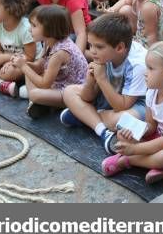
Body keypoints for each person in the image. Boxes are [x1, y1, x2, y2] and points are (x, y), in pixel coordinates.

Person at [101, 40, 163, 183]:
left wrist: (134, 151)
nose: (145, 72)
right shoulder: (152, 92)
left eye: (150, 68)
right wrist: (134, 132)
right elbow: (151, 126)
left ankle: (126, 161)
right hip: (160, 137)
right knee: (122, 136)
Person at [61, 13, 148, 154]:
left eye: (99, 47)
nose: (92, 52)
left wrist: (101, 78)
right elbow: (86, 97)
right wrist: (90, 81)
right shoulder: (105, 55)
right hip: (111, 98)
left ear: (119, 48)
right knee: (68, 92)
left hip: (137, 104)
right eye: (90, 45)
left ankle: (85, 117)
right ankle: (103, 132)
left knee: (121, 119)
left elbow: (123, 106)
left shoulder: (137, 64)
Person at [10, 5, 88, 118]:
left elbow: (44, 83)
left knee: (34, 94)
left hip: (73, 93)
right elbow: (40, 66)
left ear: (49, 29)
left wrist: (23, 67)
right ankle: (46, 104)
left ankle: (39, 102)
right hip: (58, 84)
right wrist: (24, 63)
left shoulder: (59, 53)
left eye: (34, 26)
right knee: (29, 70)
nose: (29, 29)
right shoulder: (49, 42)